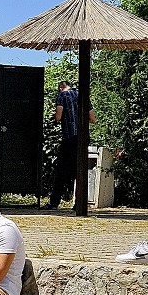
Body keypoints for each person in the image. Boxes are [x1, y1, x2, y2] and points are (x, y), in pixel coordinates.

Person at [45, 80, 95, 209]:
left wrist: (56, 118)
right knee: (80, 170)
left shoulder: (62, 96)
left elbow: (58, 116)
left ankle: (54, 202)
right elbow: (92, 119)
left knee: (62, 169)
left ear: (61, 88)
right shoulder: (82, 96)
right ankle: (79, 203)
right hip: (83, 138)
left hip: (69, 137)